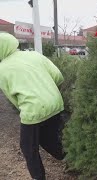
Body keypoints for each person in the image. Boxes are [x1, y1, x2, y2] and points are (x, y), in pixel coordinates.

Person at [0, 33, 65, 180]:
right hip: (55, 103)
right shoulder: (34, 55)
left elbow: (13, 98)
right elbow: (58, 76)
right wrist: (49, 95)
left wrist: (27, 109)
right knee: (48, 139)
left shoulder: (2, 69)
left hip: (33, 110)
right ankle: (69, 158)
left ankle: (38, 177)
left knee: (28, 147)